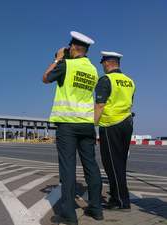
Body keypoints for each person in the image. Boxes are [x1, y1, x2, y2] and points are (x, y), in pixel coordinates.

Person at [43, 31, 103, 225]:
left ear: (74, 48)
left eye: (69, 48)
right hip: (86, 124)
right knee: (91, 167)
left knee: (68, 169)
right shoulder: (94, 70)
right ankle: (96, 209)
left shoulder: (66, 65)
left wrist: (57, 58)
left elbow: (45, 78)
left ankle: (69, 214)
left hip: (68, 125)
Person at [94, 51, 135, 211]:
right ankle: (119, 198)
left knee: (111, 164)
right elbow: (129, 103)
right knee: (120, 163)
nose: (102, 66)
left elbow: (99, 105)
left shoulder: (106, 79)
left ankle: (120, 201)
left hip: (111, 125)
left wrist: (93, 125)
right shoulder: (130, 81)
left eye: (103, 63)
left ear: (108, 63)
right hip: (126, 123)